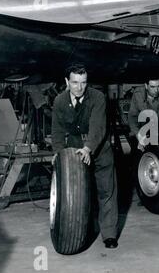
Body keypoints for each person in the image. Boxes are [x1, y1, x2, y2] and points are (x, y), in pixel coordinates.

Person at [51, 64, 119, 249]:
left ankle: (109, 234)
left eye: (83, 83)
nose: (79, 87)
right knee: (78, 193)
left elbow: (98, 126)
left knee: (106, 192)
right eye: (75, 83)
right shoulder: (59, 101)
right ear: (67, 82)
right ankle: (83, 230)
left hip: (99, 149)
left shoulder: (98, 97)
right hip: (74, 152)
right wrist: (58, 154)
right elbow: (57, 131)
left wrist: (88, 148)